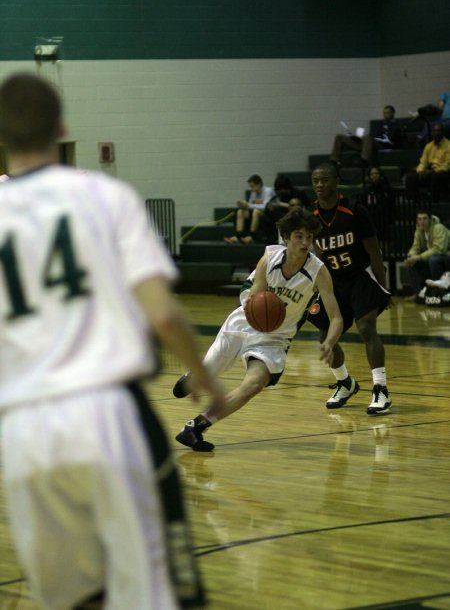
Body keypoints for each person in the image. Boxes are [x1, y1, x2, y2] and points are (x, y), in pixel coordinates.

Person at [0, 72, 225, 610]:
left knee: (77, 598)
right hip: (105, 411)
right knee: (156, 592)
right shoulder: (104, 195)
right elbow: (163, 311)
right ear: (62, 128)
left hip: (23, 430)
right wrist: (204, 375)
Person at [173, 208, 343, 452]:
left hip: (275, 338)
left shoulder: (319, 271)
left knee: (254, 385)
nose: (305, 242)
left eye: (309, 237)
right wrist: (263, 308)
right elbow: (255, 299)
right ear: (285, 237)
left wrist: (329, 341)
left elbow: (336, 317)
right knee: (205, 377)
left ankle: (196, 427)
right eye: (299, 236)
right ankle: (195, 376)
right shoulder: (269, 259)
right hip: (244, 322)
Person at [309, 162, 393, 415]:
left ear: (336, 181)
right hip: (334, 281)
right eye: (315, 181)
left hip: (360, 276)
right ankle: (345, 383)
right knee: (325, 337)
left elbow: (374, 252)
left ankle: (381, 389)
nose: (320, 185)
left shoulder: (355, 211)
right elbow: (316, 254)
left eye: (325, 180)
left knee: (366, 327)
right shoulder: (310, 217)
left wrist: (383, 287)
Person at [330, 105, 402, 167]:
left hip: (380, 144)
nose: (385, 115)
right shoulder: (379, 124)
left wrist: (373, 139)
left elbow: (390, 140)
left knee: (367, 137)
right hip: (366, 144)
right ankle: (334, 161)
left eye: (387, 113)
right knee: (339, 136)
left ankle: (364, 160)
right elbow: (371, 135)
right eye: (384, 113)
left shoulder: (395, 125)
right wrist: (357, 138)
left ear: (392, 113)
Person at [403, 211, 450, 301]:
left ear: (430, 219)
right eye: (419, 219)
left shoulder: (438, 228)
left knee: (433, 260)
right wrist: (411, 257)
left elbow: (438, 249)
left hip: (447, 254)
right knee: (412, 261)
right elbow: (415, 247)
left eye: (424, 218)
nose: (422, 221)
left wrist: (418, 257)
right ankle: (418, 294)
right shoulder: (419, 230)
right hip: (434, 256)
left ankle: (439, 291)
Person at [404, 122, 450, 202]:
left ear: (443, 132)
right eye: (434, 131)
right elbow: (423, 162)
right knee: (410, 177)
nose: (436, 133)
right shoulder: (429, 146)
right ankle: (415, 202)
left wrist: (433, 171)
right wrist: (420, 171)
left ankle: (434, 202)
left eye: (438, 131)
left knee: (435, 176)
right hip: (430, 172)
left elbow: (447, 165)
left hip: (444, 173)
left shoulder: (449, 145)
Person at [224, 174, 275, 244]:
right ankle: (238, 236)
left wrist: (248, 205)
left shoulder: (268, 191)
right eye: (250, 187)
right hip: (256, 213)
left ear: (259, 184)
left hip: (269, 214)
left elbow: (265, 206)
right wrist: (243, 206)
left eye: (253, 186)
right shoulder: (253, 193)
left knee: (256, 212)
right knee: (240, 211)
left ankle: (251, 237)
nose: (251, 189)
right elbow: (250, 205)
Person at [259, 175, 310, 244]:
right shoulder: (279, 195)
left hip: (298, 216)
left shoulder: (299, 193)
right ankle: (268, 239)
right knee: (266, 216)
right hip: (283, 215)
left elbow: (302, 207)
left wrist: (285, 205)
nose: (281, 192)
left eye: (282, 190)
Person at [361, 166, 393, 249]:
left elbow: (389, 204)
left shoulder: (386, 188)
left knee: (384, 237)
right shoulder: (367, 189)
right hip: (372, 218)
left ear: (380, 175)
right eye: (372, 174)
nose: (374, 175)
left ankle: (385, 253)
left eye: (376, 173)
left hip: (384, 218)